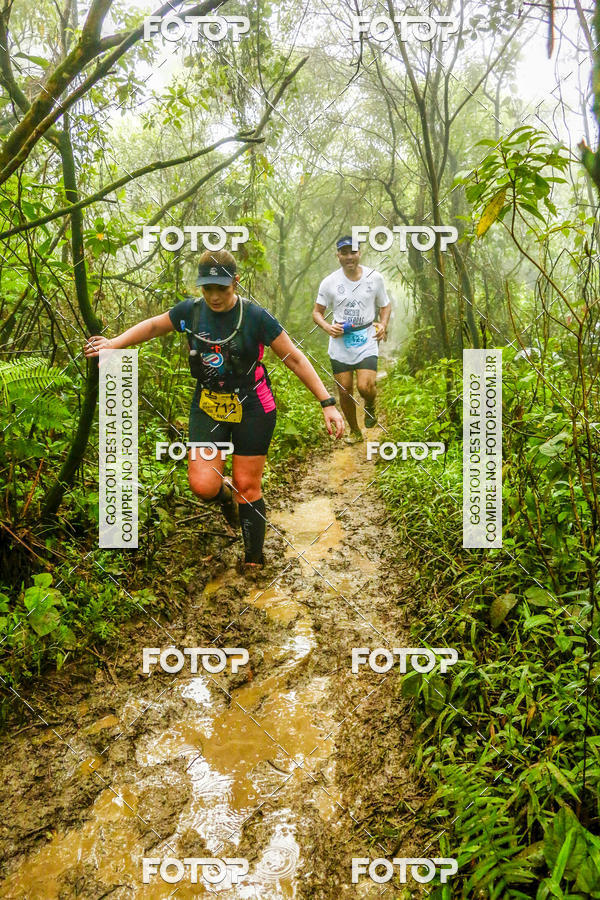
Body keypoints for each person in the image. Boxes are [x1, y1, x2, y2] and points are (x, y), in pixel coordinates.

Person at [84, 248, 344, 570]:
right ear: (200, 287)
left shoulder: (255, 317)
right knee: (203, 484)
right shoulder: (190, 313)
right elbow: (153, 327)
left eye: (222, 288)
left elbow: (293, 357)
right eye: (208, 289)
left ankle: (253, 561)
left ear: (236, 282)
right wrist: (114, 343)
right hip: (208, 404)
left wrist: (327, 402)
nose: (215, 296)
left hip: (252, 404)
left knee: (247, 485)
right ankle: (227, 501)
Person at [312, 235, 391, 443]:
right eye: (344, 253)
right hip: (340, 342)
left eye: (353, 252)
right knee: (345, 391)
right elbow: (317, 313)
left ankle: (371, 404)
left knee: (365, 387)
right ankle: (355, 432)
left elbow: (385, 305)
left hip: (366, 337)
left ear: (360, 253)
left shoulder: (375, 278)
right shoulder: (329, 282)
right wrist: (328, 327)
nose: (349, 257)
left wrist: (383, 324)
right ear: (337, 255)